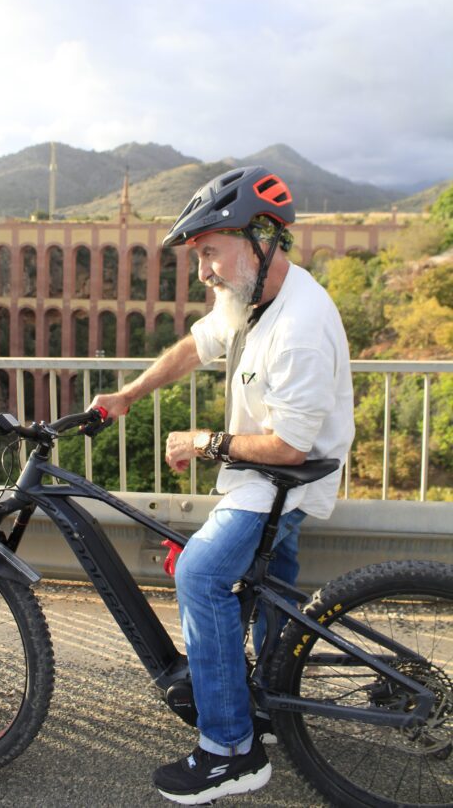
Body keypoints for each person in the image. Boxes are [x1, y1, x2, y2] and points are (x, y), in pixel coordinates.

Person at [91, 166, 355, 805]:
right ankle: (269, 703)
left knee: (200, 575)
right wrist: (128, 395)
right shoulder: (250, 298)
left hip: (282, 483)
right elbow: (195, 345)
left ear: (260, 241)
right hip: (263, 479)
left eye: (209, 252)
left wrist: (203, 442)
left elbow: (289, 448)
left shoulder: (299, 326)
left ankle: (231, 751)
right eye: (198, 257)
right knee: (270, 593)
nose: (202, 272)